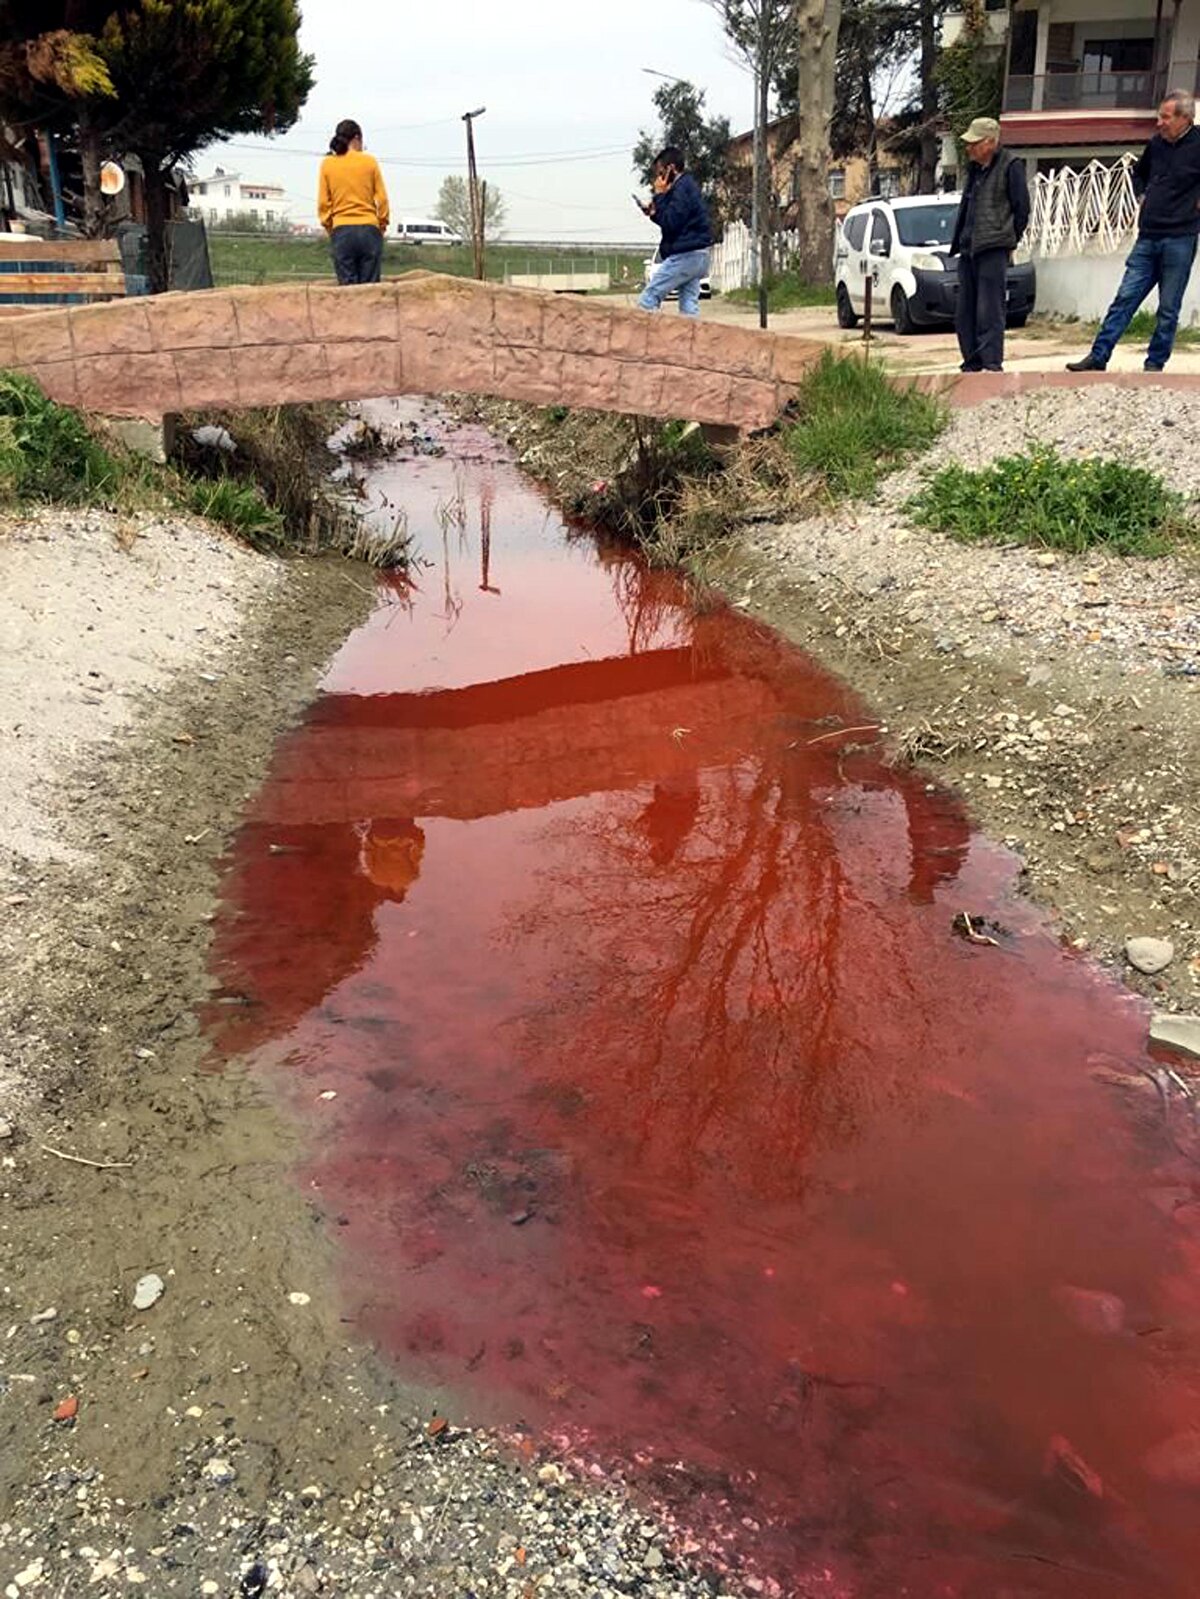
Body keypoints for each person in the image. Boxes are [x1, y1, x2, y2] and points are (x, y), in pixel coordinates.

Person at [1066, 90, 1200, 373]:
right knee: (1125, 298)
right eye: (1159, 117)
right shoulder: (1156, 144)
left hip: (1181, 237)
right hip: (1148, 236)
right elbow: (1138, 174)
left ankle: (1154, 364)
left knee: (1168, 308)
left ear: (1185, 118)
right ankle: (1098, 356)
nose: (1160, 123)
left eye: (1166, 117)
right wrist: (1142, 195)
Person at [949, 117, 1030, 373]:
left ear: (991, 142)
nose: (969, 148)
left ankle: (991, 362)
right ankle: (971, 361)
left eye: (974, 143)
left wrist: (1009, 239)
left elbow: (1022, 209)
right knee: (965, 312)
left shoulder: (1011, 165)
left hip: (994, 247)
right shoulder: (974, 170)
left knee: (990, 309)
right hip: (968, 247)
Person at [637, 146, 712, 318]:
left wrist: (659, 195)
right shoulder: (686, 187)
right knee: (689, 307)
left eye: (661, 172)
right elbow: (670, 219)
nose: (659, 178)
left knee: (648, 299)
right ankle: (691, 335)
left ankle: (651, 334)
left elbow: (671, 223)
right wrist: (654, 213)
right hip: (699, 254)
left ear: (671, 168)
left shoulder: (681, 188)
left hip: (685, 254)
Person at [318, 119, 390, 285]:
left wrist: (331, 228)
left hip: (342, 230)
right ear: (357, 138)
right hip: (369, 230)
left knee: (348, 293)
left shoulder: (327, 164)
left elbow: (323, 203)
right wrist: (381, 226)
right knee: (370, 290)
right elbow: (382, 199)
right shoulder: (369, 162)